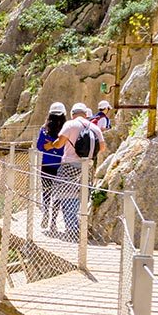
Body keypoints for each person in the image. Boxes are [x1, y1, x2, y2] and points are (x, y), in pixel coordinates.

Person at [44, 102, 106, 238]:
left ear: (72, 114)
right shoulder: (95, 127)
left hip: (69, 165)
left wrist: (50, 146)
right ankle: (78, 226)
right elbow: (102, 147)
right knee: (81, 195)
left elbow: (60, 143)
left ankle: (72, 229)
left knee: (66, 195)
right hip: (87, 167)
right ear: (85, 114)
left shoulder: (70, 125)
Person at [36, 102, 66, 230]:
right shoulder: (65, 130)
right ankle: (53, 220)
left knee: (47, 191)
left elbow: (39, 146)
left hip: (47, 164)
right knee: (58, 193)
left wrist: (49, 147)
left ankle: (46, 213)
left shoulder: (44, 130)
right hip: (61, 165)